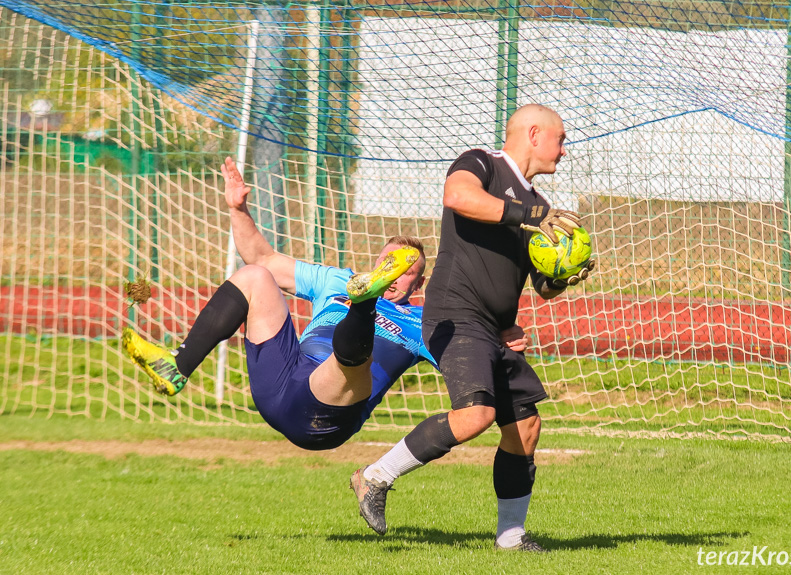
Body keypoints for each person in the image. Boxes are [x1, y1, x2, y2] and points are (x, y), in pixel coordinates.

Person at [122, 157, 529, 451]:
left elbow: (469, 354)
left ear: (419, 282)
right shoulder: (334, 280)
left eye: (404, 271)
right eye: (389, 265)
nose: (396, 276)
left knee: (349, 360)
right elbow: (261, 256)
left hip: (328, 414)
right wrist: (238, 209)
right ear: (376, 265)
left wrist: (501, 337)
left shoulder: (427, 321)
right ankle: (178, 366)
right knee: (255, 276)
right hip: (282, 388)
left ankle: (362, 307)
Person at [350, 104, 595, 550]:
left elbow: (540, 286)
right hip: (455, 315)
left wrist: (564, 274)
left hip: (495, 329)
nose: (564, 149)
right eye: (560, 138)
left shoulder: (539, 206)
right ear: (533, 133)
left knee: (525, 427)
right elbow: (458, 197)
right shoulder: (481, 162)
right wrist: (530, 217)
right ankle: (374, 477)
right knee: (476, 414)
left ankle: (511, 537)